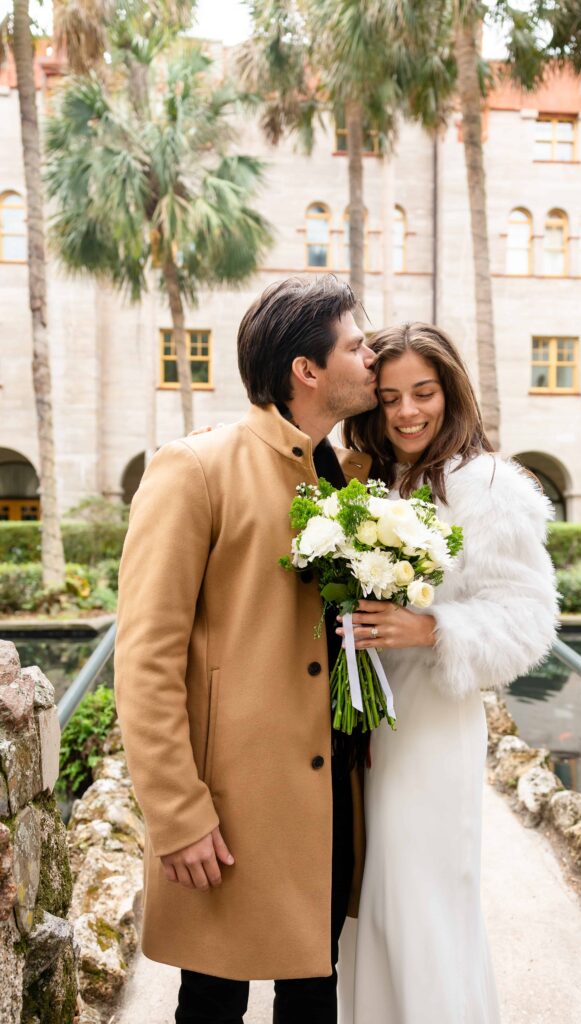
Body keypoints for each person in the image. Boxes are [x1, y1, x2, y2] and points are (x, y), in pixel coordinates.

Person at [114, 275, 377, 1024]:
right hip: (227, 805)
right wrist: (175, 812)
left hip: (328, 792)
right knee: (211, 1001)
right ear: (307, 369)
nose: (371, 358)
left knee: (312, 990)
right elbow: (145, 656)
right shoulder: (194, 468)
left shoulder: (345, 475)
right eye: (356, 346)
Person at [338, 323, 559, 1024]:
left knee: (419, 893)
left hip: (432, 718)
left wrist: (434, 629)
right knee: (368, 901)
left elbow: (528, 619)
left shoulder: (490, 484)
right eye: (391, 396)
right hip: (363, 717)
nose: (407, 412)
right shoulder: (367, 479)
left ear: (450, 391)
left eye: (423, 393)